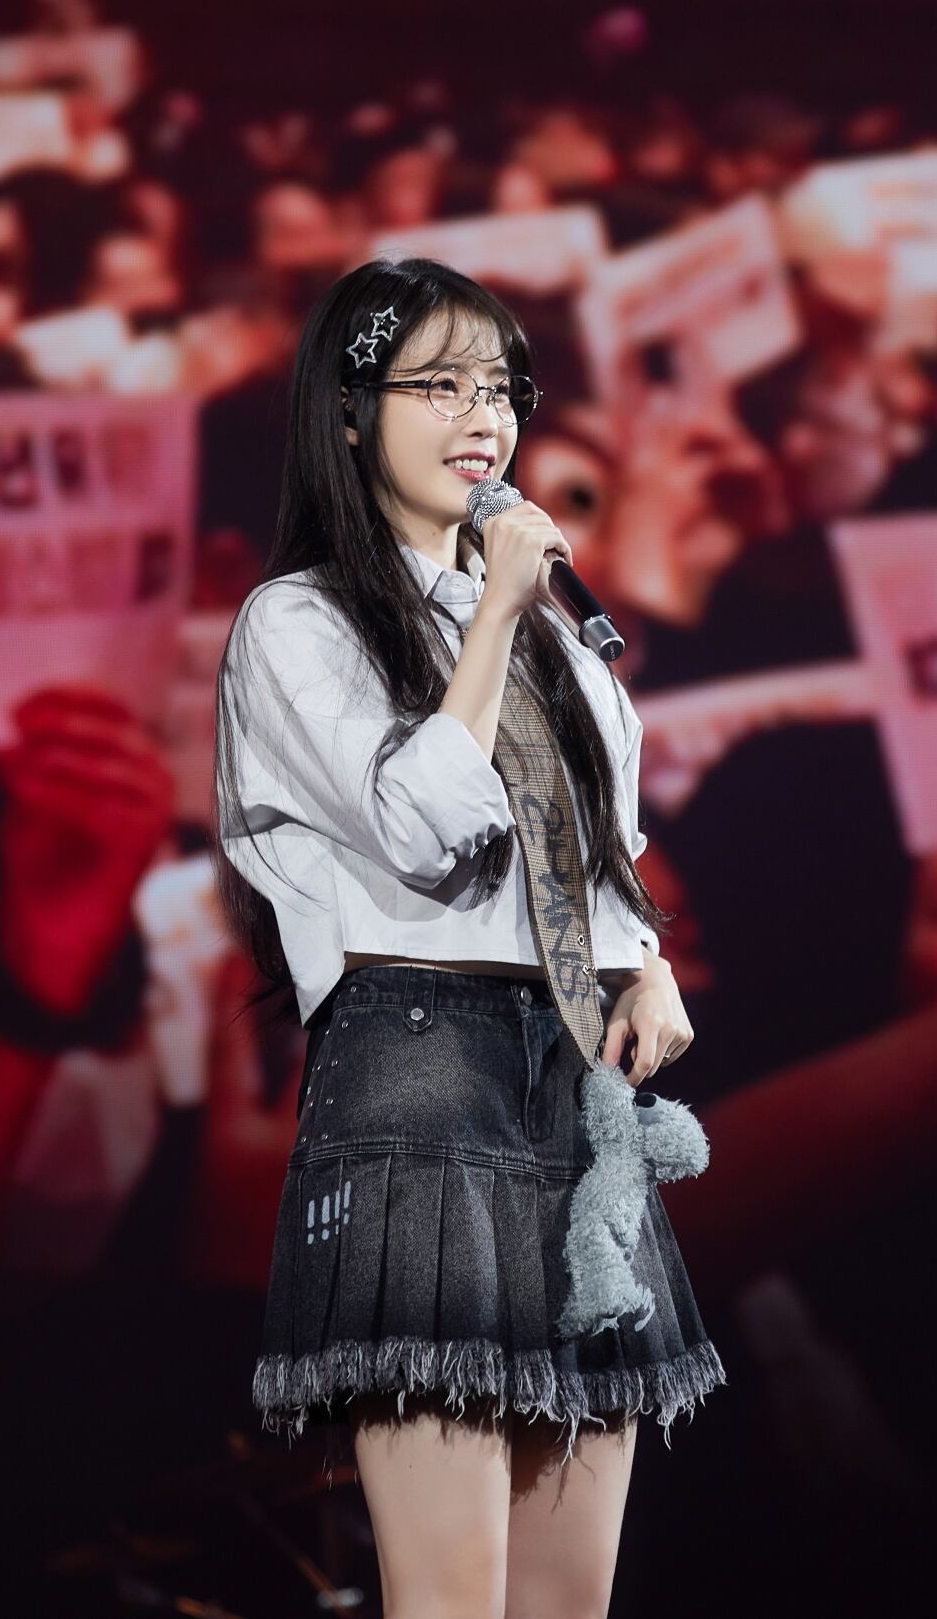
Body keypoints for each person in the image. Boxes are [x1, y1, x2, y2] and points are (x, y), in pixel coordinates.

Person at [210, 256, 719, 1618]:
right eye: (437, 384)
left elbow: (597, 846)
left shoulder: (551, 635)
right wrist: (493, 608)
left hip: (570, 1074)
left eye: (497, 387)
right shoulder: (299, 622)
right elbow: (426, 823)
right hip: (418, 1066)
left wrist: (646, 957)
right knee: (451, 1598)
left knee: (569, 1598)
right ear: (351, 410)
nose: (482, 415)